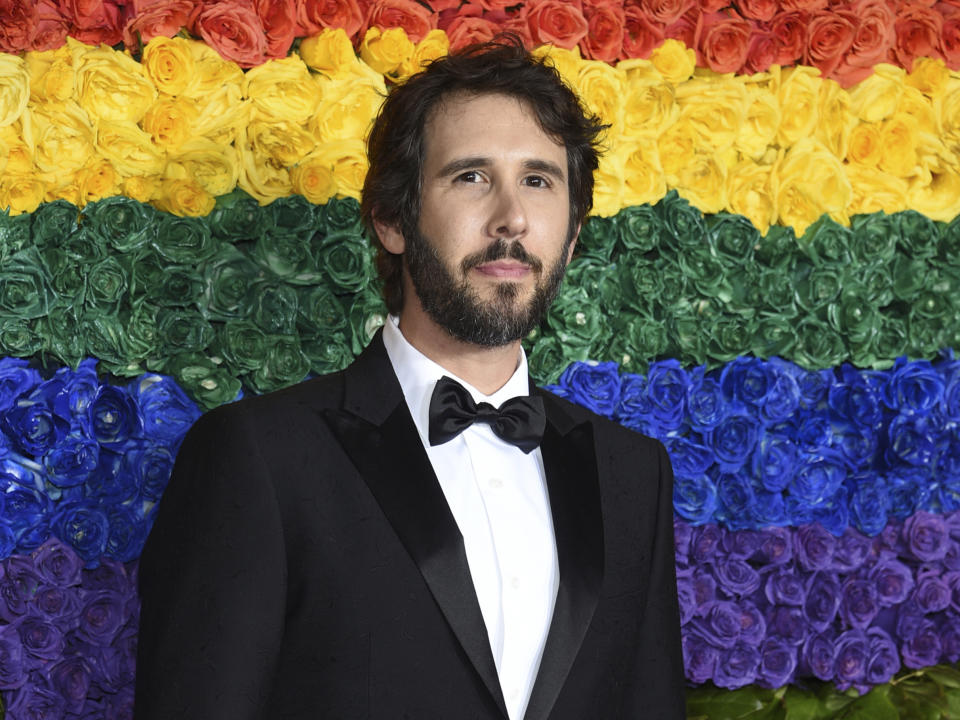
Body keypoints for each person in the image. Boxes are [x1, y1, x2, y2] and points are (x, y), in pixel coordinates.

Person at [135, 37, 685, 720]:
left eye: (539, 180)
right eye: (472, 177)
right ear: (392, 220)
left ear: (571, 234)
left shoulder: (633, 474)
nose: (512, 216)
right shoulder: (258, 458)